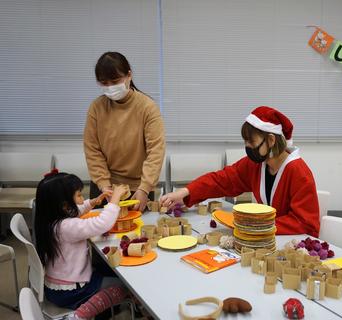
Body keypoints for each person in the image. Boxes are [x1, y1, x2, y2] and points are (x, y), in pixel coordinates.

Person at [160, 106, 320, 236]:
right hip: (264, 239)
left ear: (271, 140)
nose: (248, 148)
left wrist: (256, 226)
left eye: (252, 142)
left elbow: (305, 223)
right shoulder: (256, 164)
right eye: (246, 142)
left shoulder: (299, 172)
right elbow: (222, 180)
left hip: (289, 242)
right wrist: (186, 192)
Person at [34, 170, 130, 320]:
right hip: (71, 292)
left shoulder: (51, 220)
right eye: (79, 195)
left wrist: (93, 202)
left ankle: (98, 310)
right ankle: (80, 315)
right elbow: (102, 224)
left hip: (59, 287)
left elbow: (76, 210)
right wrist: (115, 199)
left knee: (108, 270)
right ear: (64, 205)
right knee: (125, 287)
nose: (82, 198)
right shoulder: (66, 227)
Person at [84, 51, 165, 211]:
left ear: (129, 75)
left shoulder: (147, 107)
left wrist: (145, 188)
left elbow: (155, 151)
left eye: (115, 81)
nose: (110, 87)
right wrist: (104, 185)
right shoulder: (97, 108)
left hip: (138, 188)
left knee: (139, 234)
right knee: (102, 234)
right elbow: (92, 150)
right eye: (104, 83)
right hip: (105, 188)